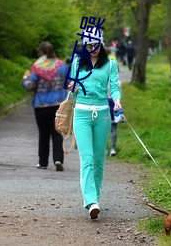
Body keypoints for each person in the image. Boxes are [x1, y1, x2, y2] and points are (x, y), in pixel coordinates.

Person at [68, 28, 121, 219]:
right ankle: (90, 201)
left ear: (101, 44)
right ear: (84, 45)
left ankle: (95, 197)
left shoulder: (110, 64)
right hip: (81, 114)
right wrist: (72, 86)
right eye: (89, 45)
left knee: (99, 160)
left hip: (103, 115)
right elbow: (73, 90)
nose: (93, 49)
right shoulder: (77, 62)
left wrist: (117, 100)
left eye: (96, 45)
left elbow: (114, 86)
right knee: (87, 158)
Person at [22, 41, 69, 171]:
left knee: (43, 134)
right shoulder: (62, 66)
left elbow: (30, 86)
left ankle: (43, 163)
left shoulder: (37, 67)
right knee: (57, 132)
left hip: (41, 105)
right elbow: (68, 83)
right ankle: (58, 159)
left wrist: (25, 79)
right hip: (58, 105)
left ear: (41, 53)